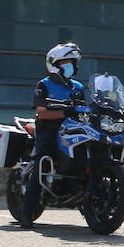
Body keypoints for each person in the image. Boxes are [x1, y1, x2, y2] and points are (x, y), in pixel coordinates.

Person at [20, 43, 86, 227]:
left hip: (72, 129)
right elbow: (42, 113)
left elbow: (83, 110)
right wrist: (66, 113)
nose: (71, 66)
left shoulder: (78, 87)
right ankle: (26, 214)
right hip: (49, 129)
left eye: (72, 62)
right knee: (42, 162)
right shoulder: (44, 85)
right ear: (54, 64)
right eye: (66, 62)